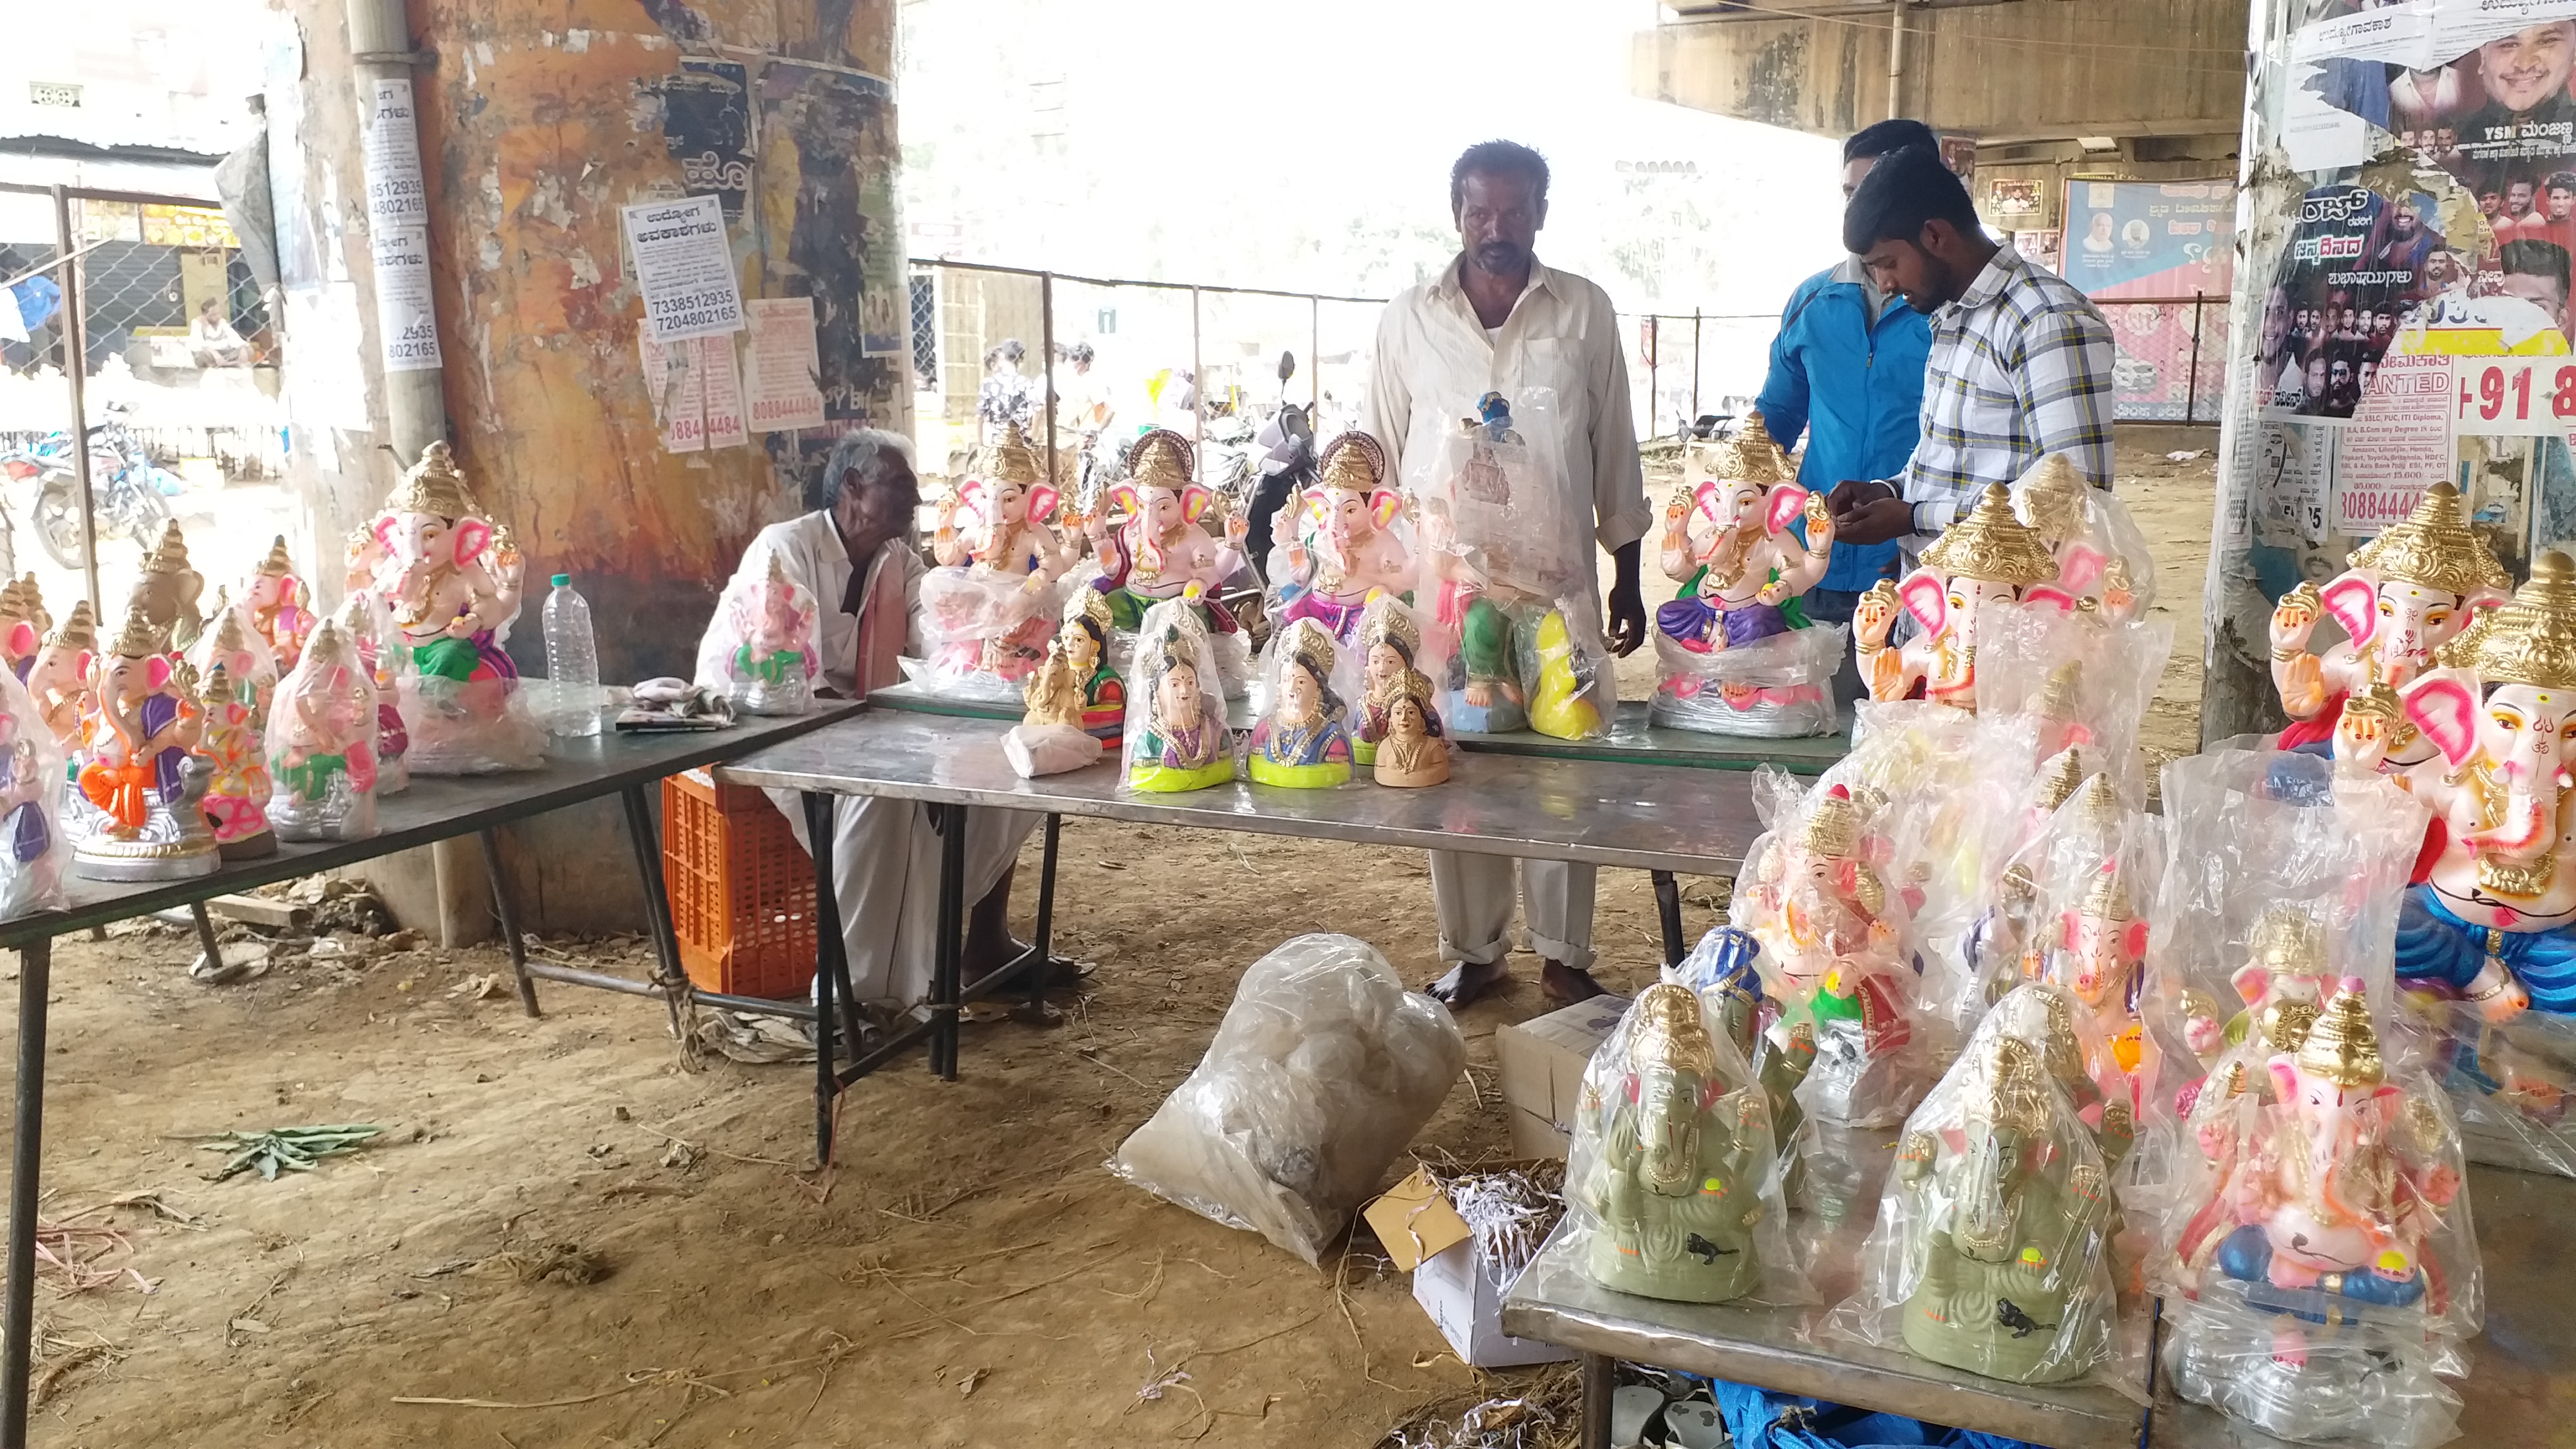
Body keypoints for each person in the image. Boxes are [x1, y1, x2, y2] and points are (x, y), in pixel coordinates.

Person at [1363, 138, 1649, 1007]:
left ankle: (1564, 953)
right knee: (1458, 754)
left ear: (1541, 215)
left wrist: (1625, 573)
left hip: (1555, 578)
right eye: (1480, 211)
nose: (1498, 228)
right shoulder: (1409, 316)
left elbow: (1614, 448)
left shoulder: (1584, 312)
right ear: (1456, 215)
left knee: (1564, 760)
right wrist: (1376, 583)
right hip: (1443, 585)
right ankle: (1477, 951)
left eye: (1515, 211)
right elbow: (1378, 455)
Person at [720, 429, 1041, 1019]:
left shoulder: (896, 557)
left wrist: (1002, 610)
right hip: (774, 726)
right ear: (852, 488)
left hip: (866, 724)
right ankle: (857, 993)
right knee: (881, 799)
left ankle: (966, 953)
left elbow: (939, 622)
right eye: (900, 485)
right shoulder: (785, 548)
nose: (915, 499)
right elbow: (777, 673)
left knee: (1001, 774)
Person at [1823, 145, 2116, 550]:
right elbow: (1954, 465)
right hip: (1944, 601)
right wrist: (1888, 493)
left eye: (1887, 263)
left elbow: (2074, 496)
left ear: (1935, 236)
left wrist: (1913, 518)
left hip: (2007, 608)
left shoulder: (2045, 319)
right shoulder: (1954, 315)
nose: (1884, 284)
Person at [1753, 118, 1937, 696]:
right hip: (1815, 556)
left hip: (1917, 562)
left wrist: (1916, 534)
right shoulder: (1813, 301)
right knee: (1810, 715)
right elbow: (1773, 423)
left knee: (1902, 727)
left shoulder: (1947, 315)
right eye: (1851, 194)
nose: (1859, 210)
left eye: (1876, 191)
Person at [2459, 22, 2576, 157]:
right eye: (2508, 44)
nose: (2525, 65)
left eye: (2547, 41)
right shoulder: (2451, 134)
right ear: (2483, 56)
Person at [0, 249, 61, 378]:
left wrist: (53, 313)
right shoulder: (11, 288)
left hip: (39, 327)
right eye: (10, 272)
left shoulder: (39, 282)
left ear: (24, 270)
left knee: (44, 363)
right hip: (20, 330)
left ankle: (48, 382)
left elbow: (62, 294)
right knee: (24, 366)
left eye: (16, 270)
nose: (14, 274)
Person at [977, 339, 1034, 435]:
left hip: (997, 438)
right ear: (1020, 360)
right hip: (1021, 438)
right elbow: (1035, 410)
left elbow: (979, 416)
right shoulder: (1027, 383)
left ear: (1003, 356)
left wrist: (980, 443)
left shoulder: (989, 384)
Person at [190, 297, 252, 368]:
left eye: (219, 314)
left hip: (225, 352)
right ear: (205, 314)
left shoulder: (222, 322)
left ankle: (226, 364)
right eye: (213, 315)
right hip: (209, 353)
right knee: (203, 355)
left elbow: (233, 337)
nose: (217, 317)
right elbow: (198, 344)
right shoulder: (198, 323)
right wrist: (214, 353)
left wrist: (242, 348)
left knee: (248, 349)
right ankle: (227, 364)